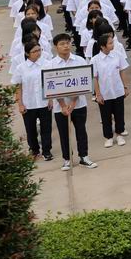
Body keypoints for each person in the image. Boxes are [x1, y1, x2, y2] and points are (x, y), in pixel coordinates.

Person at [47, 32, 97, 169]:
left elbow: (84, 82)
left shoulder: (79, 60)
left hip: (79, 104)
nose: (66, 46)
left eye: (68, 42)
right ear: (56, 47)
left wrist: (73, 102)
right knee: (64, 133)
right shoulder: (51, 64)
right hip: (60, 107)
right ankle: (67, 158)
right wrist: (63, 105)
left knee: (81, 130)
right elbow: (52, 87)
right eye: (62, 44)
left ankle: (84, 156)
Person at [12, 39, 53, 162]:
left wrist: (50, 99)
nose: (38, 53)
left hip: (44, 102)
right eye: (34, 51)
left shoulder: (47, 64)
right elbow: (17, 86)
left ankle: (47, 151)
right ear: (27, 53)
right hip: (28, 103)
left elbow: (50, 83)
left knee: (46, 128)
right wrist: (20, 104)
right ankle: (34, 150)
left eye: (39, 50)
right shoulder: (21, 68)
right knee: (30, 129)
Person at [91, 29, 130, 148]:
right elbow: (95, 78)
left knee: (119, 114)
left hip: (117, 90)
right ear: (102, 46)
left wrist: (125, 87)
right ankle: (108, 137)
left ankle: (119, 134)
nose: (112, 45)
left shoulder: (117, 56)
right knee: (105, 116)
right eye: (110, 43)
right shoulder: (95, 60)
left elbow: (122, 72)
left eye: (112, 42)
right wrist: (98, 94)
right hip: (105, 93)